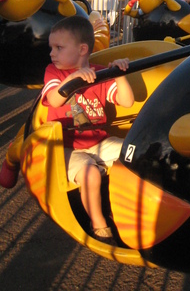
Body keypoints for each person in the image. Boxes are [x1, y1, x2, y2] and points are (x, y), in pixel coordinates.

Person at [41, 15, 135, 245]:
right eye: (51, 47)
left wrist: (118, 76)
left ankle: (130, 211)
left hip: (99, 142)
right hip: (66, 146)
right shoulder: (55, 73)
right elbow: (54, 100)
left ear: (82, 49)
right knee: (90, 174)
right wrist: (74, 78)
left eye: (58, 47)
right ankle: (98, 223)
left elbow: (127, 101)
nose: (52, 53)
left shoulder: (99, 73)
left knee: (136, 151)